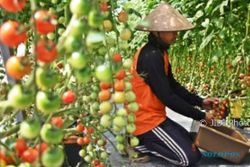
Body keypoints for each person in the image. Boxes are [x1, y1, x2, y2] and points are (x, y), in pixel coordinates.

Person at [130, 2, 218, 166]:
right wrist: (202, 116)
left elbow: (173, 86)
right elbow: (168, 97)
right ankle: (141, 144)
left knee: (193, 143)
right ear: (157, 32)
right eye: (171, 30)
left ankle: (142, 141)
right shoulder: (151, 56)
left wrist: (200, 101)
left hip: (157, 118)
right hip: (145, 121)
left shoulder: (160, 52)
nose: (176, 34)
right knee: (188, 158)